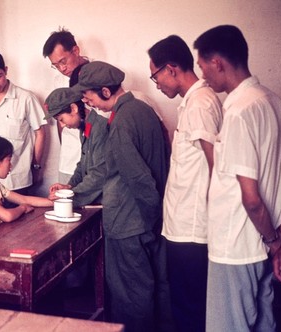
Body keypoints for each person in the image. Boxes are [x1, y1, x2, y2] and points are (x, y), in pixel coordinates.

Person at [194, 25, 281, 332]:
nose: (203, 76)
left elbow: (250, 198)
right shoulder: (275, 104)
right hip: (263, 244)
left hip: (235, 247)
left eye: (202, 66)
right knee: (264, 324)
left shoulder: (239, 111)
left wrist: (274, 240)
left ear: (217, 62)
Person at [73, 61, 173, 332]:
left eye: (90, 96)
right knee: (158, 287)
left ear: (106, 91)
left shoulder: (121, 122)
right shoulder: (143, 110)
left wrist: (149, 217)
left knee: (131, 295)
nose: (88, 103)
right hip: (147, 219)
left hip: (129, 223)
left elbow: (138, 177)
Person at [148, 35, 223, 332]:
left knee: (190, 308)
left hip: (193, 229)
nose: (156, 84)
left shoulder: (201, 104)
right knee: (185, 304)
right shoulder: (194, 102)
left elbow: (217, 166)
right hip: (183, 226)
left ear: (172, 68)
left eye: (156, 76)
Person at [0, 48, 46, 195]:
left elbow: (40, 133)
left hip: (18, 179)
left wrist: (37, 166)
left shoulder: (26, 98)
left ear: (6, 70)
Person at [45, 87, 107, 207]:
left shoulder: (100, 129)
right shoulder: (85, 128)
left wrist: (70, 195)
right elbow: (83, 163)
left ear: (74, 108)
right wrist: (69, 186)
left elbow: (99, 174)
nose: (62, 125)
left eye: (61, 119)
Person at [43, 28, 90, 184]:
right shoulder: (59, 80)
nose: (62, 69)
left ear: (75, 51)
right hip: (69, 158)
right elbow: (59, 120)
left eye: (63, 61)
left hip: (95, 157)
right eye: (56, 65)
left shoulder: (97, 73)